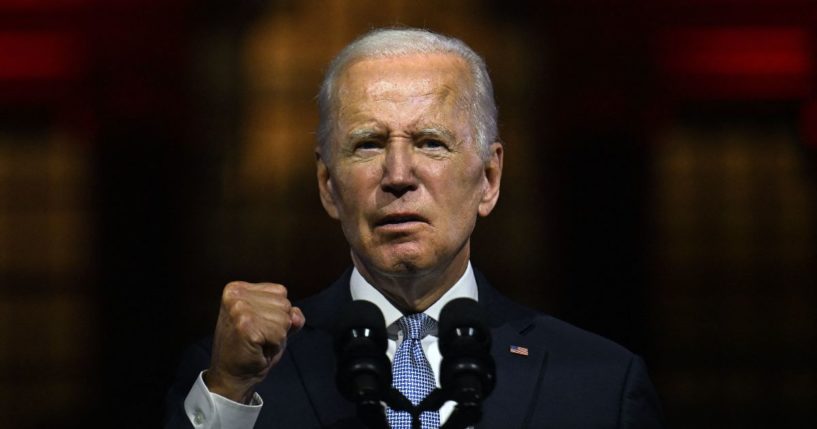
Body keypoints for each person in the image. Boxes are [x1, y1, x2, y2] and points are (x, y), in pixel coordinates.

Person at [165, 27, 664, 428]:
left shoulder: (600, 381)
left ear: (488, 180)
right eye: (367, 144)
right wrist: (229, 393)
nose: (398, 176)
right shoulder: (234, 373)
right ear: (327, 186)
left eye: (430, 142)